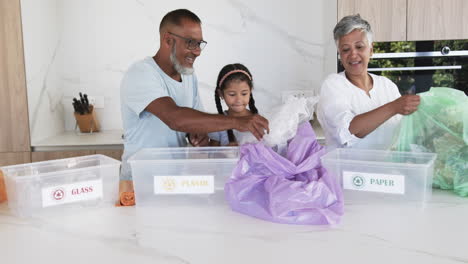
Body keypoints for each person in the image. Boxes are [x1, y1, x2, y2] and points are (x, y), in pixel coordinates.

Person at [118, 9, 269, 205]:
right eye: (191, 43)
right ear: (168, 40)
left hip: (172, 182)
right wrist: (237, 121)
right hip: (139, 183)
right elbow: (175, 118)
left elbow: (192, 122)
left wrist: (197, 135)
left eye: (199, 44)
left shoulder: (189, 76)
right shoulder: (141, 74)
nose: (197, 51)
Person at [317, 14, 420, 150]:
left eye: (359, 47)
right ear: (340, 55)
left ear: (371, 50)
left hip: (386, 169)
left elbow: (403, 131)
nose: (353, 54)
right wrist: (393, 107)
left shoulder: (387, 86)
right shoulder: (333, 85)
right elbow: (349, 131)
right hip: (346, 170)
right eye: (346, 49)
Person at [208, 63, 259, 146]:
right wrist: (225, 152)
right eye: (232, 94)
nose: (238, 100)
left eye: (244, 94)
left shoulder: (259, 121)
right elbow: (212, 155)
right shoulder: (217, 124)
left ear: (250, 91)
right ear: (221, 94)